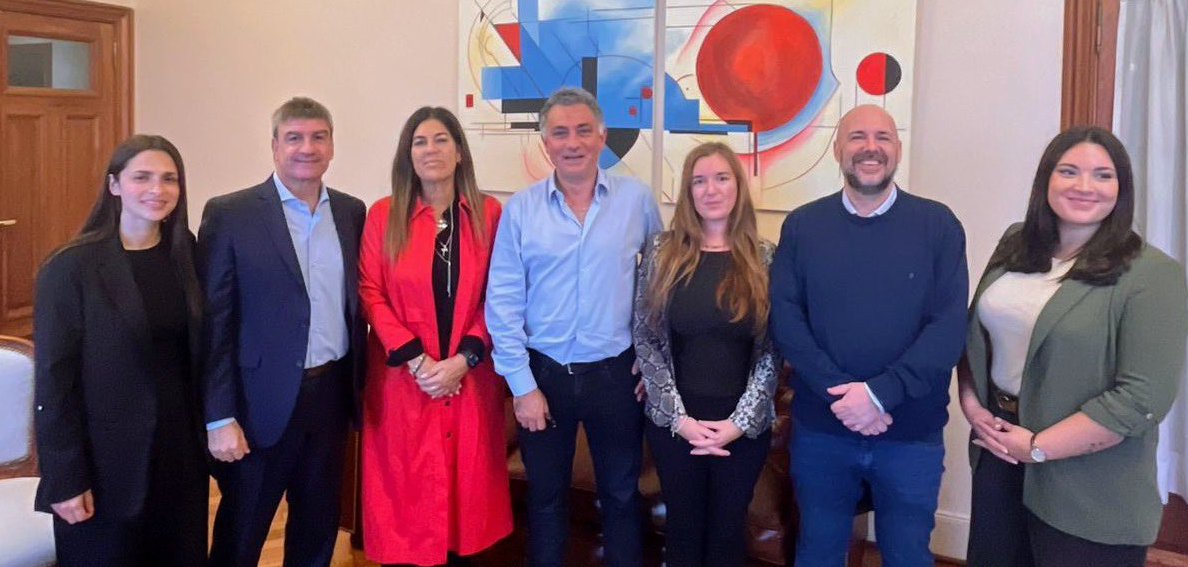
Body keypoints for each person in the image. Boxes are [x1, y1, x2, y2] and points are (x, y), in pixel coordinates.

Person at [958, 126, 1187, 567]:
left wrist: (1037, 446)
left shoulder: (1152, 274)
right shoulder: (1015, 243)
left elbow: (1141, 399)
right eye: (1068, 171)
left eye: (1103, 175)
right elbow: (975, 337)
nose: (1084, 186)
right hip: (1000, 452)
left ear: (1121, 188)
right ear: (1046, 179)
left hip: (1090, 480)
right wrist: (972, 406)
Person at [769, 104, 969, 566]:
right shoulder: (802, 226)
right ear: (838, 149)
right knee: (818, 552)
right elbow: (787, 321)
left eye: (882, 137)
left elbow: (948, 327)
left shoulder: (938, 225)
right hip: (822, 431)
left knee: (907, 555)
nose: (870, 148)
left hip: (910, 433)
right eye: (857, 137)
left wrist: (879, 395)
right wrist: (844, 396)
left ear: (897, 149)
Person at [485, 86, 663, 567]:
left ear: (602, 136)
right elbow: (503, 301)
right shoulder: (520, 209)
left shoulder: (636, 200)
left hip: (616, 377)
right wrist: (521, 387)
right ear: (545, 143)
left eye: (584, 130)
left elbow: (659, 287)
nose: (573, 142)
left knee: (621, 497)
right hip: (543, 378)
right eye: (560, 133)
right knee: (546, 501)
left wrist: (653, 364)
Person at [200, 96, 367, 567]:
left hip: (331, 396)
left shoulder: (352, 213)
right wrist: (218, 415)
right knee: (241, 534)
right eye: (294, 137)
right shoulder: (231, 214)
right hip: (258, 404)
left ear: (332, 146)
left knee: (317, 529)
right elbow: (215, 322)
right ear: (274, 146)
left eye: (318, 137)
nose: (306, 148)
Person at [33, 134, 208, 566]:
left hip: (179, 453)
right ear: (114, 185)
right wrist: (65, 477)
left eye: (169, 179)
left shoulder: (186, 252)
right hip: (104, 460)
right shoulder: (70, 267)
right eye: (142, 177)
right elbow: (54, 383)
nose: (157, 189)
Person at [357, 106, 512, 566]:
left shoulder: (489, 214)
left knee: (467, 502)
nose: (431, 150)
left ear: (459, 152)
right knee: (406, 506)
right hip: (404, 384)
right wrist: (418, 361)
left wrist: (463, 360)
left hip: (470, 381)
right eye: (420, 141)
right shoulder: (383, 215)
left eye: (441, 139)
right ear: (408, 154)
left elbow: (500, 294)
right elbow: (370, 290)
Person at [632, 142, 779, 567]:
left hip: (742, 429)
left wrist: (737, 424)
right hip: (675, 426)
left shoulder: (765, 257)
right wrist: (680, 421)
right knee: (682, 531)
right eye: (699, 181)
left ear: (738, 187)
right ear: (688, 192)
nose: (710, 190)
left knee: (727, 536)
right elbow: (645, 336)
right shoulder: (662, 253)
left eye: (721, 178)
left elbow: (773, 350)